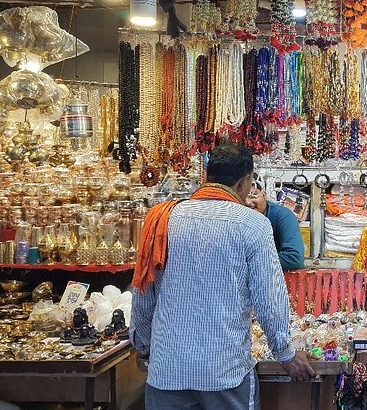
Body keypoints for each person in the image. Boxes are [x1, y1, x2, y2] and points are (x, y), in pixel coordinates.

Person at [130, 142, 314, 410]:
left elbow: (144, 292)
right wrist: (285, 354)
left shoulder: (163, 219)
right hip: (224, 372)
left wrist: (144, 344)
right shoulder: (253, 225)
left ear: (207, 177)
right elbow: (269, 301)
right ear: (245, 181)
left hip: (167, 370)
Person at [246, 189, 305, 270]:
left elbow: (294, 258)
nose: (247, 202)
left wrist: (247, 261)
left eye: (253, 196)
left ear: (264, 195)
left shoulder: (283, 215)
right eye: (243, 196)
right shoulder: (234, 216)